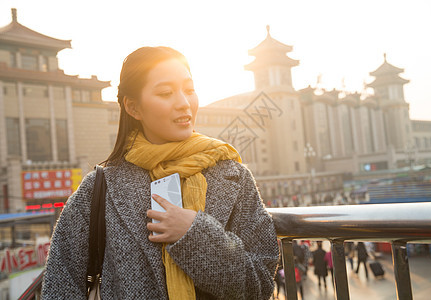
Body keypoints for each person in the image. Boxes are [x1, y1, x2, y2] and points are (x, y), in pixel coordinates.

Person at [41, 46, 279, 299]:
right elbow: (60, 286)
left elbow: (260, 286)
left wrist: (195, 235)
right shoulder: (98, 190)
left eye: (189, 90)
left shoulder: (234, 177)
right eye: (166, 93)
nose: (184, 103)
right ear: (133, 108)